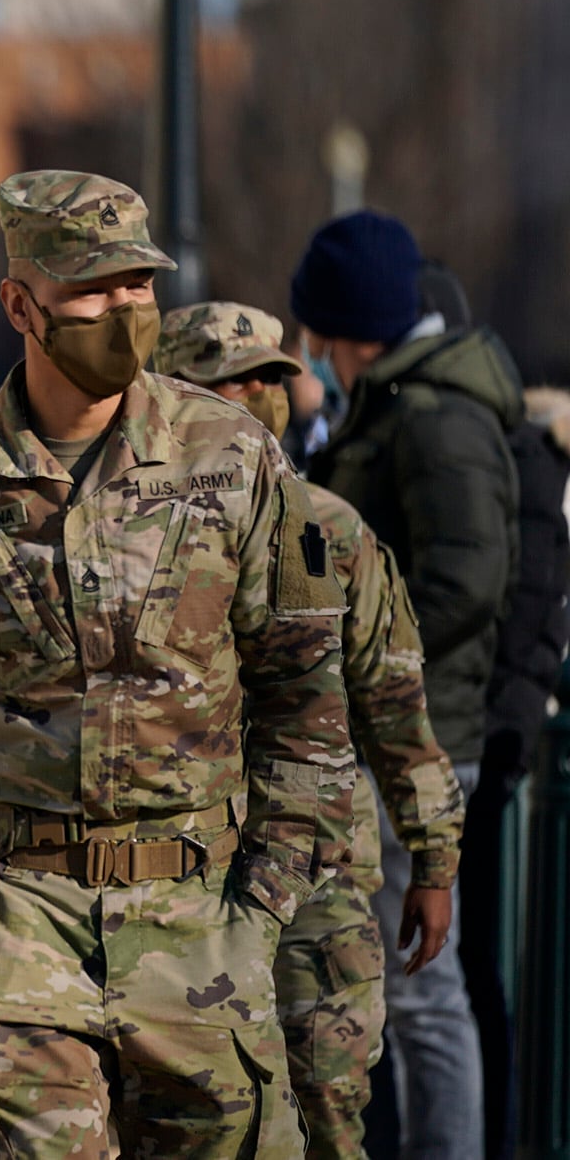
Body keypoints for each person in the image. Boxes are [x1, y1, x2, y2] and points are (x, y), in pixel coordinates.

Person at [0, 170, 357, 1157]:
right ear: (19, 303)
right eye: (91, 288)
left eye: (136, 286)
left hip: (198, 919)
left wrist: (264, 898)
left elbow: (304, 690)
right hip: (12, 923)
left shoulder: (230, 457)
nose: (122, 311)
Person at [153, 302, 467, 1159]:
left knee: (328, 1110)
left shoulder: (334, 530)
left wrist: (433, 856)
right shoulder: (136, 536)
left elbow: (397, 704)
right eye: (233, 379)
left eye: (273, 377)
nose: (260, 393)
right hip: (179, 884)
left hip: (319, 886)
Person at [293, 211, 522, 1160]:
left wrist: (369, 662)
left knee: (423, 994)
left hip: (416, 740)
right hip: (406, 734)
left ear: (349, 331)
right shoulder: (412, 407)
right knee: (412, 988)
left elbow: (465, 578)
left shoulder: (430, 418)